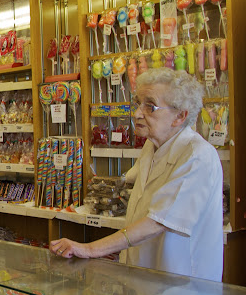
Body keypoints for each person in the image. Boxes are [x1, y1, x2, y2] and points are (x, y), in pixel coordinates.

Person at [50, 68, 223, 281]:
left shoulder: (198, 156)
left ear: (180, 116)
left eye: (150, 106)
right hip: (145, 280)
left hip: (182, 288)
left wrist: (90, 249)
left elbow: (158, 222)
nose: (138, 113)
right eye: (138, 103)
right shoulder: (151, 147)